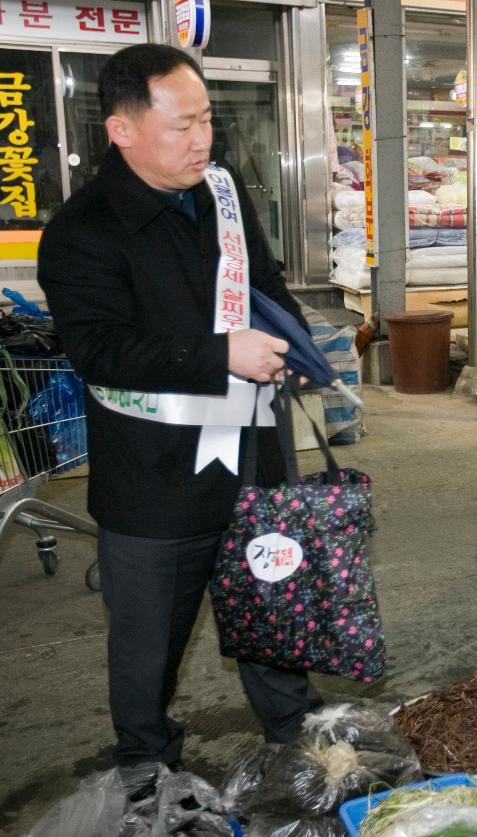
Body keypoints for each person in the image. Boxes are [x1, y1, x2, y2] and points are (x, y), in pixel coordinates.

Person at [37, 44, 322, 794]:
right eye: (182, 125)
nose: (202, 140)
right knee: (146, 644)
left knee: (271, 604)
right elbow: (100, 350)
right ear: (123, 131)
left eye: (206, 121)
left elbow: (265, 283)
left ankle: (298, 741)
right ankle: (148, 770)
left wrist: (293, 341)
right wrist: (220, 353)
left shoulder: (222, 194)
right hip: (152, 478)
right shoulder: (82, 232)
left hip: (254, 459)